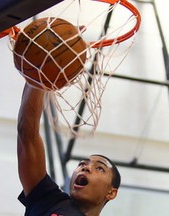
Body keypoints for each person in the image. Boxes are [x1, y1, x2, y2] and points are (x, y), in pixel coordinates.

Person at [17, 83, 121, 216]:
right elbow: (26, 134)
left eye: (100, 168)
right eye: (82, 164)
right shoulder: (49, 200)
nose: (86, 167)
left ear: (111, 193)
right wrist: (37, 77)